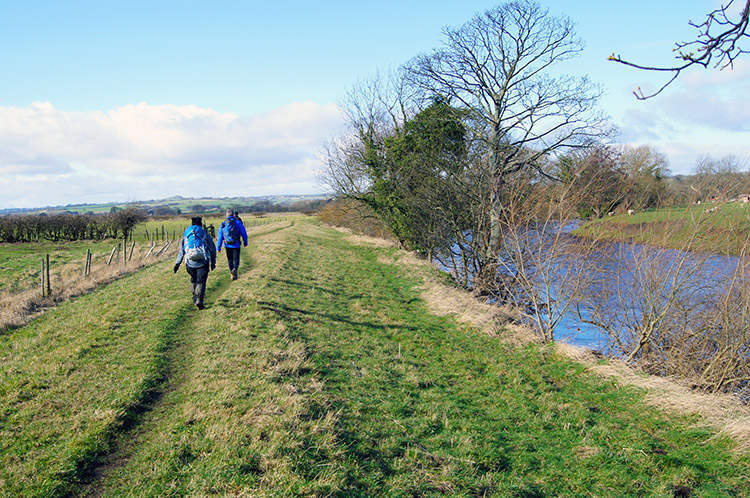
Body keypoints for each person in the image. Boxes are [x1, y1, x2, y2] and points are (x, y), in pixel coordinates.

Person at [174, 217, 216, 309]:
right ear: (201, 224)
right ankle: (199, 299)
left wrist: (177, 263)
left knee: (193, 279)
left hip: (190, 262)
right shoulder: (204, 233)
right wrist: (213, 262)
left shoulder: (187, 234)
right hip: (203, 261)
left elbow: (182, 250)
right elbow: (212, 248)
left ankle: (194, 295)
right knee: (201, 280)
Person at [217, 209, 248, 280]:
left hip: (227, 245)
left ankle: (231, 271)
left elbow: (220, 237)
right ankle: (235, 270)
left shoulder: (223, 224)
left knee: (230, 259)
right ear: (233, 215)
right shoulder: (238, 222)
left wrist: (218, 247)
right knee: (236, 259)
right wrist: (245, 242)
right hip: (236, 244)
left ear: (226, 215)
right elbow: (244, 233)